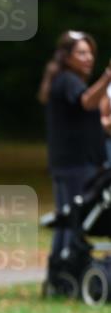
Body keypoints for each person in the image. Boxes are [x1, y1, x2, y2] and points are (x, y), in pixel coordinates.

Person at [37, 30, 110, 260]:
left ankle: (60, 272)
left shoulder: (69, 81)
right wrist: (108, 76)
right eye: (81, 53)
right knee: (74, 216)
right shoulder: (67, 80)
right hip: (75, 164)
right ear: (66, 57)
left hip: (73, 163)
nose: (88, 58)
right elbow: (87, 102)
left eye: (90, 53)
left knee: (67, 217)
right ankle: (67, 267)